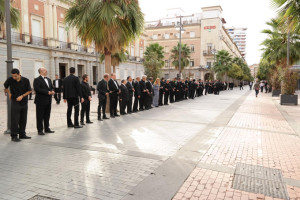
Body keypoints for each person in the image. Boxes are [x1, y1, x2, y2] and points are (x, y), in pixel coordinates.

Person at [4, 69, 32, 142]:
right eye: (13, 76)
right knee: (15, 119)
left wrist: (22, 96)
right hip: (15, 102)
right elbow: (5, 87)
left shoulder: (26, 80)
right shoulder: (10, 80)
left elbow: (29, 91)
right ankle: (14, 136)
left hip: (24, 102)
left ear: (19, 74)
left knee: (23, 119)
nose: (14, 77)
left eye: (15, 76)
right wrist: (9, 93)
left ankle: (22, 134)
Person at [33, 67, 55, 135]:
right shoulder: (37, 80)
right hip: (40, 100)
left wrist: (52, 91)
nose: (46, 71)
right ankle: (40, 130)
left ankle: (47, 128)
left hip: (48, 100)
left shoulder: (48, 79)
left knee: (47, 115)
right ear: (41, 71)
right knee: (40, 115)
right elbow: (37, 89)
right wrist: (47, 92)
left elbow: (51, 87)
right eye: (45, 70)